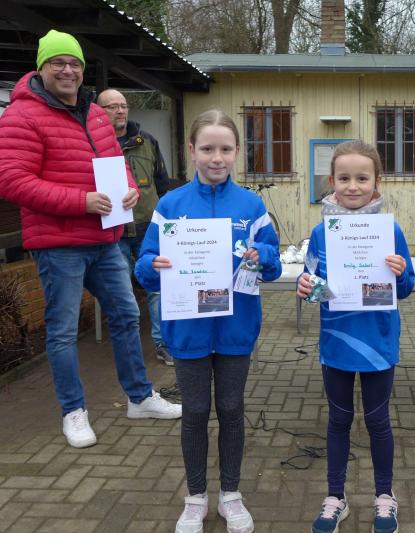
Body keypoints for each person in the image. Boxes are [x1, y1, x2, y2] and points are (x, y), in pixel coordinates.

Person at [0, 29, 181, 449]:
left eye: (74, 63)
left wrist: (129, 190)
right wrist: (79, 201)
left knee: (126, 316)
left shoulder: (96, 114)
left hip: (105, 239)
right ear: (41, 68)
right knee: (63, 331)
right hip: (58, 244)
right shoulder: (21, 116)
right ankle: (73, 411)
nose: (68, 70)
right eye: (58, 62)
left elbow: (117, 163)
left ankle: (139, 398)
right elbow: (11, 180)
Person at [135, 109, 281, 533]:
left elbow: (273, 264)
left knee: (232, 409)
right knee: (196, 411)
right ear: (191, 150)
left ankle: (230, 495)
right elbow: (144, 264)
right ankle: (195, 497)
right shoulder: (171, 205)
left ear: (237, 152)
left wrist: (262, 255)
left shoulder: (251, 205)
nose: (217, 158)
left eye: (225, 149)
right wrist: (153, 266)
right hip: (189, 330)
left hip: (236, 328)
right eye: (207, 149)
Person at [296, 140, 415, 533]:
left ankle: (385, 496)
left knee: (378, 421)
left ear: (376, 182)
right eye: (344, 178)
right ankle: (336, 497)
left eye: (362, 178)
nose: (352, 186)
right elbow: (311, 280)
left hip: (378, 342)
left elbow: (407, 287)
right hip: (337, 342)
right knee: (339, 420)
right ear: (331, 181)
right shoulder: (320, 232)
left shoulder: (390, 230)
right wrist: (304, 285)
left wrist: (400, 272)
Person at [96, 88, 173, 365]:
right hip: (113, 232)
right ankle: (128, 352)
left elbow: (161, 183)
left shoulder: (147, 141)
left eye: (123, 105)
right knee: (121, 293)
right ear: (99, 112)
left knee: (158, 288)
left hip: (147, 229)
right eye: (112, 106)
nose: (120, 111)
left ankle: (163, 344)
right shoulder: (92, 144)